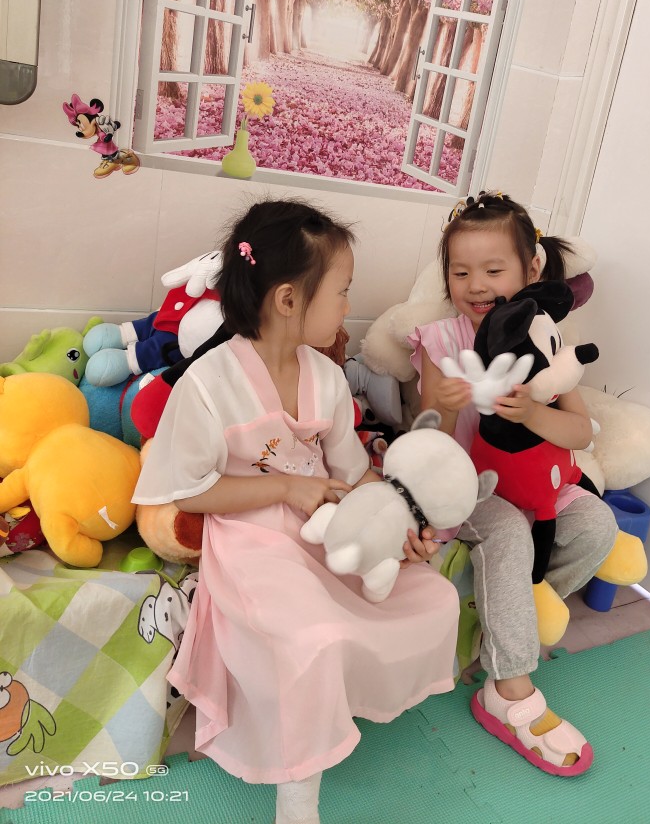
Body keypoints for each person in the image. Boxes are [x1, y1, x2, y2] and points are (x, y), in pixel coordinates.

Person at [133, 198, 459, 824]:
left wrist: (398, 527)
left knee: (435, 598)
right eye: (342, 292)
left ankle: (339, 710)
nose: (347, 307)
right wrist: (285, 487)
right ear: (288, 299)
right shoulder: (208, 383)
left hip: (326, 526)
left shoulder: (327, 378)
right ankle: (298, 803)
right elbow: (188, 492)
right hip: (254, 538)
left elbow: (354, 474)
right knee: (314, 638)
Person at [406, 190, 617, 777]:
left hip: (537, 483)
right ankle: (508, 689)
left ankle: (513, 619)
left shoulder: (544, 337)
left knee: (598, 525)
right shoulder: (442, 342)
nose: (476, 285)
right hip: (467, 487)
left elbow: (579, 431)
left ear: (531, 271)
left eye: (493, 270)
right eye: (460, 272)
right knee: (505, 532)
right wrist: (447, 405)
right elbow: (426, 442)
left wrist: (533, 414)